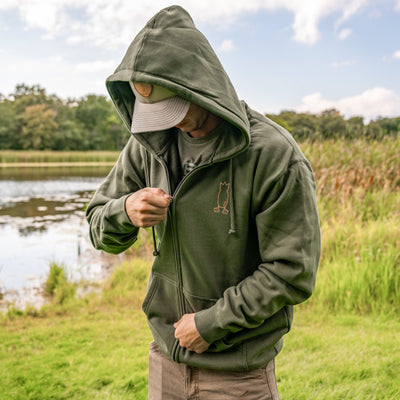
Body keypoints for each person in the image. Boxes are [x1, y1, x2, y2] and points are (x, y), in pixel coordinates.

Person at [86, 5, 321, 399]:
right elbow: (98, 227)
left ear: (201, 87)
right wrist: (124, 211)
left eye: (175, 108)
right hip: (165, 359)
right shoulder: (147, 145)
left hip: (238, 372)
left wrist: (211, 323)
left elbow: (291, 271)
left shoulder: (274, 155)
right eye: (156, 112)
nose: (169, 122)